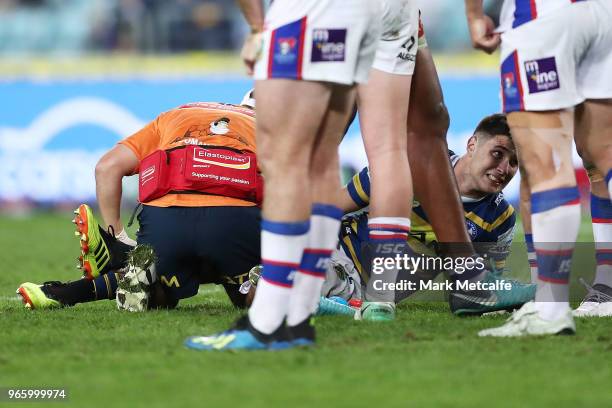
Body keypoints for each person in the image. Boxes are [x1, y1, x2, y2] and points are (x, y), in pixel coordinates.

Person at [184, 0, 383, 351]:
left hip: (308, 13)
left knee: (283, 159)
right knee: (321, 157)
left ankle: (267, 322)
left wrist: (257, 27)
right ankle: (298, 317)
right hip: (361, 14)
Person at [16, 92, 262, 311]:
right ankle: (253, 281)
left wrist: (118, 237)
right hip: (234, 218)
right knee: (252, 290)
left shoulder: (175, 115)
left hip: (165, 220)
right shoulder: (271, 130)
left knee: (162, 295)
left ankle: (81, 285)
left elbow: (107, 167)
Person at [465, 0, 612, 337]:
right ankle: (589, 292)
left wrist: (474, 16)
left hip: (543, 19)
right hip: (604, 16)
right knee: (604, 156)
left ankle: (549, 307)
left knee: (544, 164)